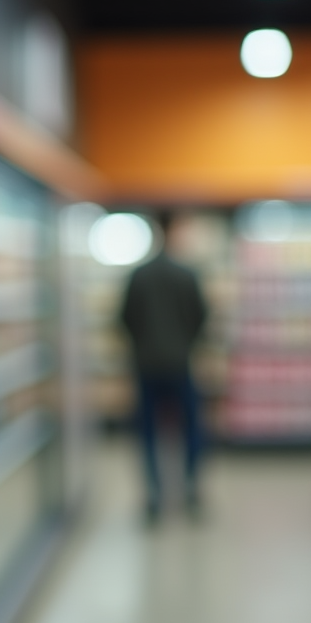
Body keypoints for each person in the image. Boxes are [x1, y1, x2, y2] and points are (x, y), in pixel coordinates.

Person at [119, 210, 209, 522]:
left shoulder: (138, 275)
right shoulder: (187, 274)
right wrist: (186, 344)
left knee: (148, 432)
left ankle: (155, 495)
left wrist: (142, 344)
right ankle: (191, 488)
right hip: (180, 362)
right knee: (190, 428)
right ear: (175, 230)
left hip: (146, 364)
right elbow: (201, 317)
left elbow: (125, 318)